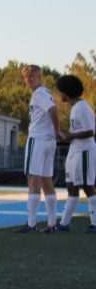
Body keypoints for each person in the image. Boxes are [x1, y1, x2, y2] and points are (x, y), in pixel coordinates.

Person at [18, 65, 60, 232]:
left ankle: (31, 223)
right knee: (46, 181)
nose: (28, 79)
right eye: (26, 77)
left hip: (38, 139)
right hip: (48, 141)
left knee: (33, 180)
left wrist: (57, 130)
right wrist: (55, 132)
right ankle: (52, 223)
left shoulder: (39, 94)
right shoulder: (46, 93)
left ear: (39, 77)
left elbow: (53, 110)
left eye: (32, 76)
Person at [55, 74, 96, 232]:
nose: (60, 95)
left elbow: (90, 131)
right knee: (71, 186)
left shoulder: (82, 107)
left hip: (84, 151)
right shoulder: (75, 108)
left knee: (87, 186)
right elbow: (79, 131)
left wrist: (69, 136)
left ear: (67, 92)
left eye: (61, 92)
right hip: (75, 151)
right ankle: (64, 223)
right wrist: (64, 135)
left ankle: (94, 223)